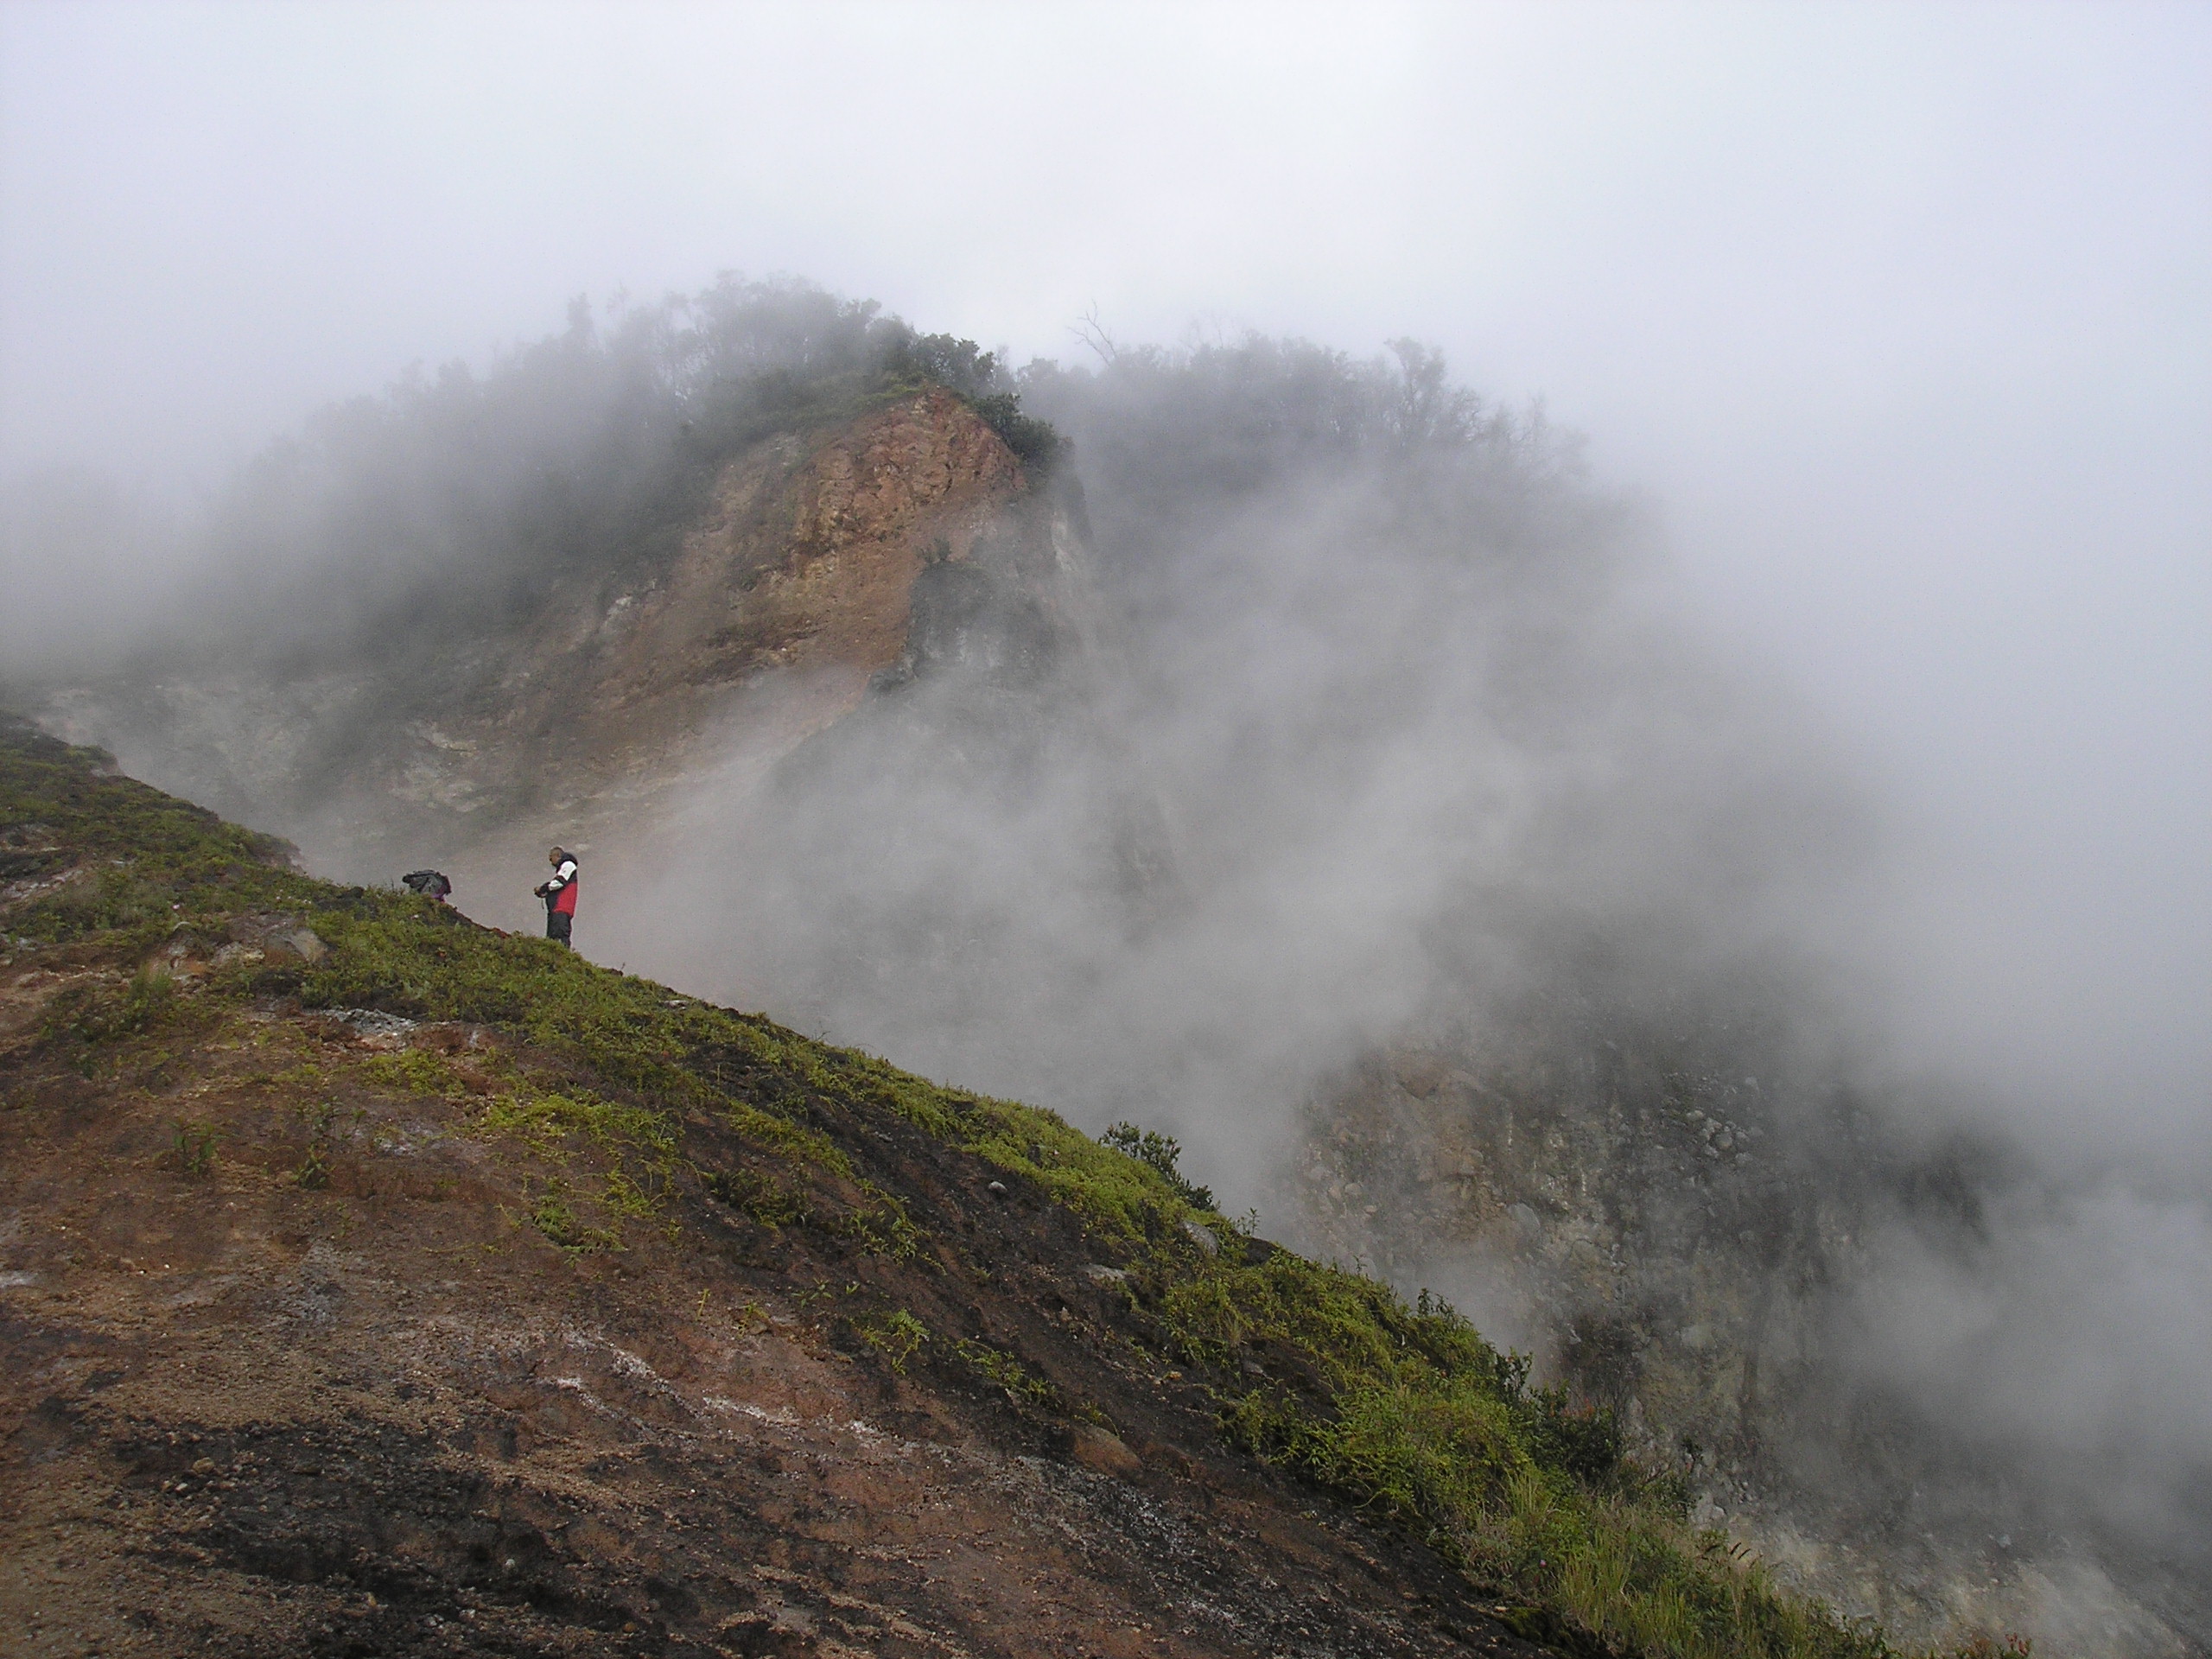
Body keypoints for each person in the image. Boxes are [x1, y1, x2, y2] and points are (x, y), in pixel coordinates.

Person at [534, 848, 579, 947]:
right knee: (552, 938)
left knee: (560, 937)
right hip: (557, 910)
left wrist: (543, 888)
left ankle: (563, 960)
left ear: (558, 856)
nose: (550, 861)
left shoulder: (568, 864)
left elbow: (559, 883)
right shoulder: (563, 869)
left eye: (551, 858)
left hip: (561, 909)